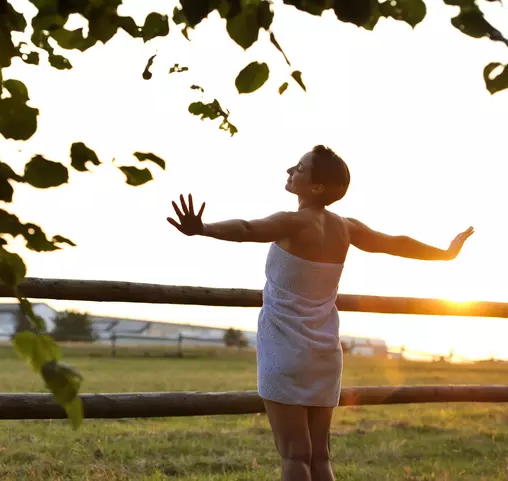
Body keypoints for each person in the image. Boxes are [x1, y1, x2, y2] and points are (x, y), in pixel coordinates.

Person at [166, 145, 474, 481]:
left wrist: (203, 228)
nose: (290, 171)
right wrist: (444, 254)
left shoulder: (292, 222)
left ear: (316, 187)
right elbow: (394, 242)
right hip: (325, 352)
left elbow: (246, 229)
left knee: (294, 456)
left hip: (284, 351)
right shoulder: (347, 227)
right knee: (319, 456)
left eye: (299, 168)